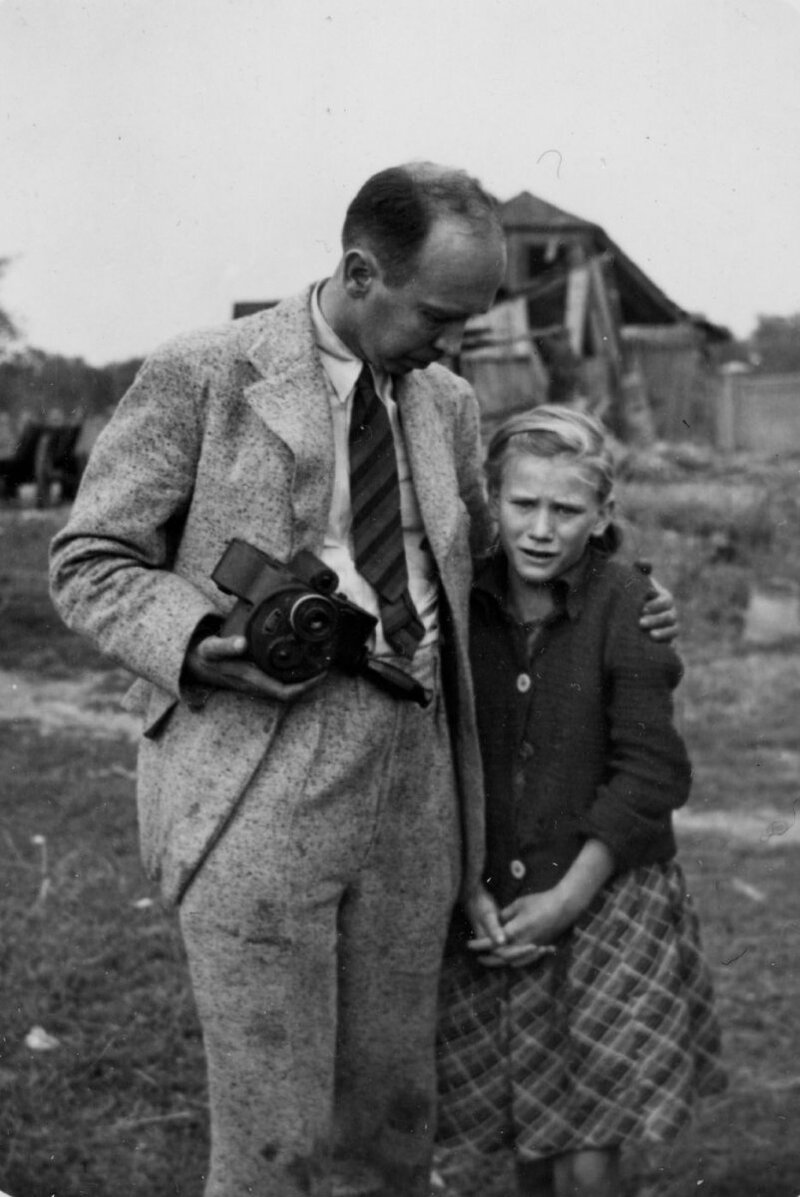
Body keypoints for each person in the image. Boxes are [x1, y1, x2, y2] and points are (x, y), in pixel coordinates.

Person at [49, 164, 676, 1197]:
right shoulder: (205, 373)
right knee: (273, 1139)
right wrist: (201, 637)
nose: (450, 343)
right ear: (357, 271)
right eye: (437, 314)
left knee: (391, 1127)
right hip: (259, 777)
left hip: (417, 784)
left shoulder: (447, 402)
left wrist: (622, 593)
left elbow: (483, 567)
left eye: (467, 324)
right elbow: (90, 562)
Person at [435, 406, 726, 1197]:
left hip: (604, 895)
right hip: (495, 893)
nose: (540, 528)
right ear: (490, 500)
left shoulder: (628, 601)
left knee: (590, 1130)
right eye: (522, 504)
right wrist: (470, 881)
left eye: (566, 510)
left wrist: (569, 895)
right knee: (523, 1111)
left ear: (603, 516)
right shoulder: (455, 602)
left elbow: (650, 771)